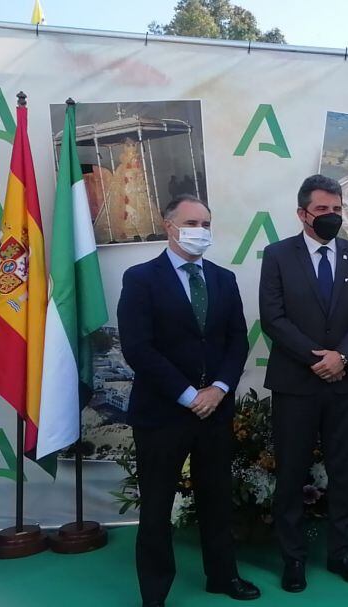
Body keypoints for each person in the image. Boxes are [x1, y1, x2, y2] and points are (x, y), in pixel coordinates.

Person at [118, 195, 260, 607]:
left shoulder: (223, 278)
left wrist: (218, 389)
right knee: (158, 506)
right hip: (162, 413)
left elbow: (237, 340)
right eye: (193, 222)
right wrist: (186, 394)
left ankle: (222, 576)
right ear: (169, 226)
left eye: (207, 223)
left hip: (214, 410)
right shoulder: (141, 278)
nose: (202, 230)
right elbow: (138, 348)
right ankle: (155, 593)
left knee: (216, 498)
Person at [259, 174, 348, 592]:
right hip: (296, 384)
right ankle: (293, 559)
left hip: (345, 383)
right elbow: (273, 318)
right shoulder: (276, 256)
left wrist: (342, 357)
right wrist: (319, 359)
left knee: (344, 473)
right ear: (302, 213)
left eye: (337, 209)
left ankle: (341, 553)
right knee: (291, 474)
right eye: (322, 210)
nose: (331, 217)